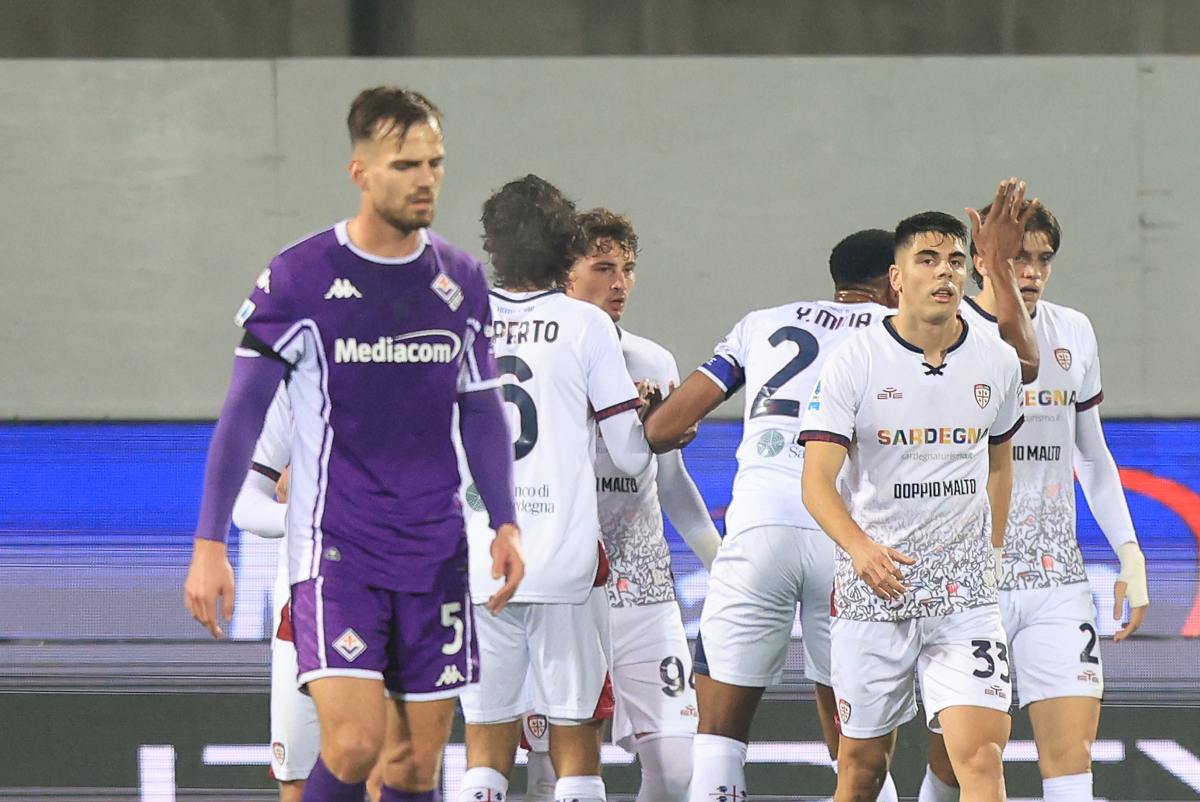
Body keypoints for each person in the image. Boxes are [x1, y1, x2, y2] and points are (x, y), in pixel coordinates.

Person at [183, 86, 524, 802]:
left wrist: (505, 521)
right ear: (360, 172)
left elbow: (483, 410)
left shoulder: (461, 280)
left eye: (435, 162)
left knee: (413, 767)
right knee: (354, 744)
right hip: (336, 552)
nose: (426, 179)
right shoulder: (298, 278)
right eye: (406, 165)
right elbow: (242, 415)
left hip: (435, 552)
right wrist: (209, 544)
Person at [643, 229, 899, 802]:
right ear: (894, 279)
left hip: (759, 532)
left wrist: (663, 418)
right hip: (851, 542)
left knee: (718, 738)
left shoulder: (762, 323)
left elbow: (660, 431)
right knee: (858, 749)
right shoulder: (902, 332)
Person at [920, 194, 1150, 802]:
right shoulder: (945, 332)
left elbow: (1091, 453)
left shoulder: (1074, 330)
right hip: (972, 584)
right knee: (962, 764)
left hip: (1057, 581)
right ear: (983, 259)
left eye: (1043, 259)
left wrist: (1130, 553)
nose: (1032, 272)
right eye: (1018, 257)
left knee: (1071, 763)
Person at [799, 204, 1030, 802]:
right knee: (861, 774)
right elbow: (816, 482)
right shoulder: (854, 360)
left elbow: (999, 462)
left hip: (965, 596)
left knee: (981, 760)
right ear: (897, 278)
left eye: (956, 260)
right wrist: (860, 550)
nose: (944, 272)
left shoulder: (997, 360)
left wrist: (992, 554)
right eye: (927, 260)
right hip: (875, 592)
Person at [457, 176, 653, 802]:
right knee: (575, 748)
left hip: (479, 558)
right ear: (567, 246)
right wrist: (660, 423)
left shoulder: (460, 320)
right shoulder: (586, 324)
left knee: (485, 745)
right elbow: (631, 454)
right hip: (566, 562)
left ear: (493, 243)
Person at [518, 209, 723, 802]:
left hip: (645, 590)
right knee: (551, 774)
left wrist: (722, 562)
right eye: (603, 267)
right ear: (565, 273)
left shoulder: (653, 361)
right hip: (561, 589)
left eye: (628, 269)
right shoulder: (532, 361)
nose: (620, 283)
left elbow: (670, 481)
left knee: (679, 771)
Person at [230, 384, 321, 801]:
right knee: (298, 781)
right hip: (303, 610)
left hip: (388, 597)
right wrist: (308, 518)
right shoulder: (293, 387)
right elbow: (246, 503)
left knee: (383, 772)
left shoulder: (410, 372)